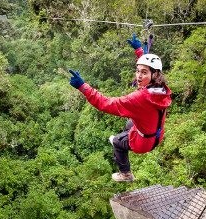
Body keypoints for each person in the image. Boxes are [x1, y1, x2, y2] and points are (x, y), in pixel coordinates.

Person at [68, 34, 172, 182]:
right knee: (130, 122)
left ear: (155, 74)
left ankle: (126, 174)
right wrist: (139, 51)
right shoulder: (162, 89)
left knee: (117, 142)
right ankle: (126, 134)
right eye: (137, 71)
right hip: (156, 132)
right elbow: (147, 67)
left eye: (143, 73)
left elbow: (107, 103)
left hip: (143, 144)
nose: (138, 76)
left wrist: (83, 87)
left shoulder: (139, 99)